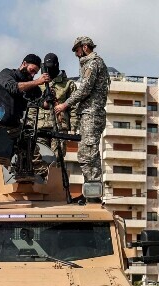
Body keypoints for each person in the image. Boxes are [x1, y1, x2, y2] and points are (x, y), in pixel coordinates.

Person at [54, 36, 109, 198]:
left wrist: (65, 105)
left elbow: (84, 89)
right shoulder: (89, 64)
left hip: (91, 113)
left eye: (77, 50)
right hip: (88, 113)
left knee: (88, 154)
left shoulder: (93, 63)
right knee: (86, 153)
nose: (76, 54)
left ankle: (93, 194)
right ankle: (90, 192)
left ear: (85, 47)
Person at [0, 54, 50, 130]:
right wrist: (38, 81)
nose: (33, 75)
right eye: (31, 70)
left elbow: (41, 103)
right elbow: (13, 88)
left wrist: (48, 98)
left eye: (35, 73)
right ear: (24, 64)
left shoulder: (32, 87)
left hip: (14, 128)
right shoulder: (7, 73)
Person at [36, 53, 77, 167]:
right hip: (40, 127)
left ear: (57, 65)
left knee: (56, 160)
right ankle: (40, 184)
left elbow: (74, 107)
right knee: (39, 159)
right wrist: (30, 125)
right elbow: (33, 106)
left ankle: (54, 183)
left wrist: (73, 127)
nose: (49, 70)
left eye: (51, 67)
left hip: (59, 127)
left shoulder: (68, 84)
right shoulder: (39, 83)